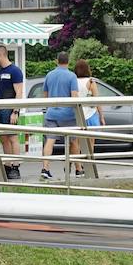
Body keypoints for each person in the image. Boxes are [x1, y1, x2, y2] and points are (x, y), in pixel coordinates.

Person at [40, 52, 81, 180]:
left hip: (51, 113)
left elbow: (45, 95)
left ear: (56, 61)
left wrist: (48, 108)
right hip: (68, 115)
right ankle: (78, 169)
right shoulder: (71, 76)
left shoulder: (49, 75)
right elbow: (74, 96)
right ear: (68, 61)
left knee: (50, 141)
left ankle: (45, 168)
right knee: (73, 141)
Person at [0, 45, 25, 180]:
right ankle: (8, 163)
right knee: (3, 138)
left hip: (10, 108)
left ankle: (15, 166)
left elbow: (19, 92)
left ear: (1, 55)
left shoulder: (15, 71)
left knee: (13, 137)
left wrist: (15, 111)